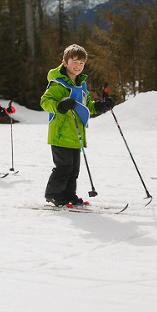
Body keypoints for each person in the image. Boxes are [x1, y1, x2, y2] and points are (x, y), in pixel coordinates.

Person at [39, 44, 114, 206]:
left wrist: (101, 106)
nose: (78, 66)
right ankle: (53, 194)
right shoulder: (57, 83)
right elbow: (45, 102)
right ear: (65, 62)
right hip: (60, 134)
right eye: (74, 62)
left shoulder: (81, 85)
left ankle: (69, 195)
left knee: (73, 170)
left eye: (81, 63)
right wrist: (60, 105)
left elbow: (86, 106)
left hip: (75, 134)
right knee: (63, 167)